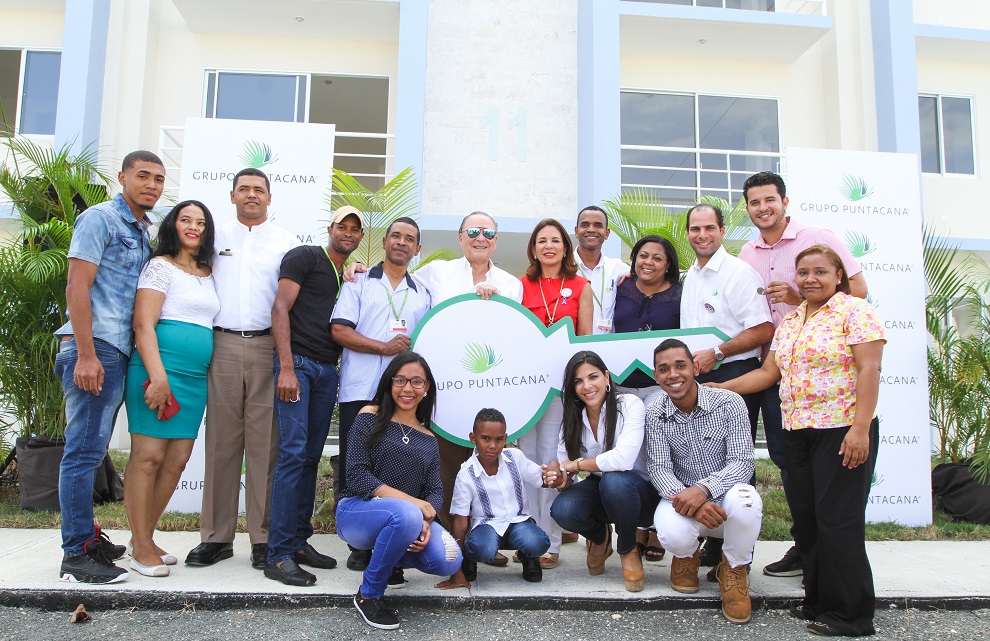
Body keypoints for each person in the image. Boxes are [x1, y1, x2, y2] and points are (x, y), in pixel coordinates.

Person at [712, 245, 884, 637]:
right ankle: (820, 603)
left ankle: (851, 615)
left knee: (838, 521)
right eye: (803, 272)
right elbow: (768, 373)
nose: (810, 279)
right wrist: (719, 389)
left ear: (838, 275)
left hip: (842, 431)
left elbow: (869, 368)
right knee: (808, 521)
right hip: (797, 431)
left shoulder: (856, 311)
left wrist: (860, 428)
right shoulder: (791, 321)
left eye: (820, 271)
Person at [737, 171, 869, 579]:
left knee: (792, 464)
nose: (763, 208)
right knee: (745, 460)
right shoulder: (746, 253)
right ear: (748, 208)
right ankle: (734, 546)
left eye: (769, 200)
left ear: (785, 201)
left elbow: (859, 291)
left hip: (809, 375)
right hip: (761, 363)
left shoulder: (818, 237)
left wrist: (804, 299)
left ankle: (806, 545)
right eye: (755, 202)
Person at [55, 150, 166, 584]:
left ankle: (89, 537)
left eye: (158, 179)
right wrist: (85, 353)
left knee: (92, 449)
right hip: (94, 347)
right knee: (82, 452)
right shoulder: (101, 218)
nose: (151, 185)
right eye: (142, 176)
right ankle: (75, 554)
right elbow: (76, 285)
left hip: (116, 351)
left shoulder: (141, 230)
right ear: (122, 177)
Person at [185, 168, 300, 569]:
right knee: (220, 442)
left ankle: (264, 538)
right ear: (232, 195)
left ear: (270, 197)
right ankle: (216, 537)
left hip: (270, 345)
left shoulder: (287, 242)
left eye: (259, 190)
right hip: (223, 344)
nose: (252, 195)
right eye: (244, 189)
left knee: (266, 444)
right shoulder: (213, 238)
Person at [263, 206, 365, 586]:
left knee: (309, 457)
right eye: (344, 226)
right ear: (331, 228)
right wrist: (286, 367)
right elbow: (280, 308)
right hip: (299, 367)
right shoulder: (305, 256)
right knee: (292, 453)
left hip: (327, 372)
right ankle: (277, 555)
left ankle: (298, 541)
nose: (349, 233)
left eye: (356, 229)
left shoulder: (349, 275)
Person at [123, 200, 219, 578]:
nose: (193, 227)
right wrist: (158, 377)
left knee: (176, 461)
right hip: (157, 371)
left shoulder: (208, 272)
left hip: (195, 381)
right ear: (173, 225)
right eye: (186, 220)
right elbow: (143, 325)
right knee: (147, 458)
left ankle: (143, 536)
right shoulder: (159, 266)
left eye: (200, 222)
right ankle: (141, 545)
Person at [331, 217, 432, 573]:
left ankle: (393, 541)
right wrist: (384, 348)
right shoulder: (359, 281)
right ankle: (359, 543)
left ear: (417, 249)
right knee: (356, 469)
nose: (402, 242)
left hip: (403, 396)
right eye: (396, 236)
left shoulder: (423, 293)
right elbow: (340, 331)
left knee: (397, 469)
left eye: (410, 238)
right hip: (361, 390)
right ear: (385, 241)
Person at [336, 352, 462, 630]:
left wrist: (426, 521)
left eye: (416, 382)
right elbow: (356, 476)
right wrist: (414, 508)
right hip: (356, 511)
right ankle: (369, 595)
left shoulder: (429, 438)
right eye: (400, 380)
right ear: (389, 382)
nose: (408, 388)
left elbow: (434, 492)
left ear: (426, 387)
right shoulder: (369, 416)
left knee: (450, 558)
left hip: (406, 517)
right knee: (405, 514)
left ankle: (390, 559)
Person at [680, 202, 773, 569]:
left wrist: (717, 352)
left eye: (709, 228)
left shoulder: (739, 273)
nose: (702, 235)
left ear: (721, 231)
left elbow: (764, 329)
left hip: (734, 375)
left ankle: (740, 554)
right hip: (699, 378)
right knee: (705, 459)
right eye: (695, 229)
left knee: (736, 462)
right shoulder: (692, 275)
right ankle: (715, 544)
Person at [647, 338, 763, 625]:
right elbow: (659, 469)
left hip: (726, 496)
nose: (673, 374)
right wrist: (693, 503)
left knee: (747, 501)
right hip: (682, 498)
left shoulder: (730, 402)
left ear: (695, 368)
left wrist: (704, 490)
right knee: (670, 532)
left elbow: (742, 462)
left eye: (680, 365)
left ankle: (734, 569)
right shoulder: (655, 412)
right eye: (664, 369)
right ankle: (686, 556)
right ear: (656, 376)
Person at [547, 351, 658, 592]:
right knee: (562, 509)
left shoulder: (630, 404)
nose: (586, 386)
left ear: (607, 377)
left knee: (615, 480)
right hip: (603, 486)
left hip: (641, 492)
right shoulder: (574, 417)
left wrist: (576, 465)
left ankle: (627, 549)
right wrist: (559, 478)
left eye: (593, 377)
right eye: (578, 381)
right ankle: (600, 537)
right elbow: (566, 469)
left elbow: (623, 459)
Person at [518, 217, 592, 568]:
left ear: (566, 246)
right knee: (525, 460)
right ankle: (527, 535)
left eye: (555, 240)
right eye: (541, 240)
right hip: (523, 385)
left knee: (552, 457)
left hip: (560, 388)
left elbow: (586, 342)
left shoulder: (581, 286)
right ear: (533, 248)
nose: (549, 246)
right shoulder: (520, 286)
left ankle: (551, 541)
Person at [437, 408, 552, 590]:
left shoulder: (515, 457)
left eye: (499, 439)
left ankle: (528, 556)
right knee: (483, 549)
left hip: (518, 522)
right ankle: (470, 557)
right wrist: (455, 568)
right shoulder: (466, 474)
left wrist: (553, 475)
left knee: (539, 542)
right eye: (486, 439)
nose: (493, 446)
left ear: (505, 439)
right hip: (486, 526)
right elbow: (460, 519)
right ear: (473, 438)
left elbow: (540, 479)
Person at [573, 206, 629, 335]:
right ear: (576, 231)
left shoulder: (618, 268)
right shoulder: (563, 268)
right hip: (575, 348)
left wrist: (634, 276)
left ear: (607, 233)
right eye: (585, 225)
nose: (591, 229)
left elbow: (646, 275)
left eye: (598, 225)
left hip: (609, 348)